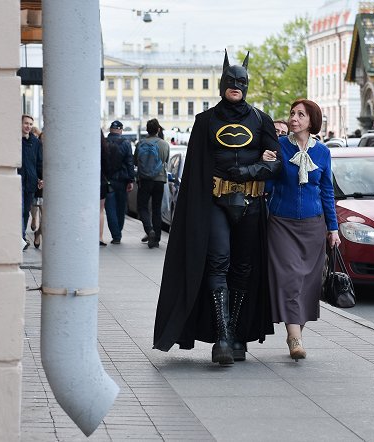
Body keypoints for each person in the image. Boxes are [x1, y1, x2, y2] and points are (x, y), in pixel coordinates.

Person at [153, 50, 281, 365]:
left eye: (241, 80)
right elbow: (196, 168)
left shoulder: (261, 119)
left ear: (247, 84)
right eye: (231, 80)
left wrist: (251, 171)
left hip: (250, 202)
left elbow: (276, 162)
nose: (235, 85)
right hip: (215, 202)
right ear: (222, 83)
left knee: (243, 267)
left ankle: (236, 334)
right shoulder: (205, 121)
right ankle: (222, 336)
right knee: (218, 263)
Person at [265, 99, 340, 360]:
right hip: (281, 223)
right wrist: (265, 164)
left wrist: (333, 228)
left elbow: (327, 191)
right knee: (290, 278)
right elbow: (267, 187)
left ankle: (295, 330)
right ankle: (294, 337)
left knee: (309, 281)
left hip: (313, 224)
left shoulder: (322, 153)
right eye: (292, 113)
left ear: (311, 121)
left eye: (301, 115)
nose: (293, 118)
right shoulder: (279, 147)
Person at [134, 118, 170, 248]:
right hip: (159, 180)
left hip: (144, 180)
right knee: (156, 209)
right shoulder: (164, 144)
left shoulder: (140, 143)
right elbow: (166, 161)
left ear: (147, 130)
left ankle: (149, 230)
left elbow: (135, 162)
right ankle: (156, 239)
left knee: (142, 207)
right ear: (158, 129)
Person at [104, 120, 135, 244]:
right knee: (121, 208)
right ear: (121, 130)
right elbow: (130, 163)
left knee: (110, 208)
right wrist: (131, 180)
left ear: (111, 130)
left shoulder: (104, 142)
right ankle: (118, 231)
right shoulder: (126, 143)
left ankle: (115, 235)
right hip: (122, 180)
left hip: (107, 180)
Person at [19, 114, 43, 250]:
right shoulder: (16, 140)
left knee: (26, 211)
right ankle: (21, 237)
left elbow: (39, 162)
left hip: (31, 182)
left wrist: (41, 178)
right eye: (25, 123)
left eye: (30, 124)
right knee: (19, 210)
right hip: (19, 180)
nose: (28, 126)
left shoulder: (36, 142)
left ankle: (21, 237)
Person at [30, 130, 44, 248]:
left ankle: (38, 233)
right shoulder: (37, 146)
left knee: (46, 219)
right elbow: (35, 165)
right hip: (40, 184)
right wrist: (39, 179)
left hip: (53, 188)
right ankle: (34, 218)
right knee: (36, 206)